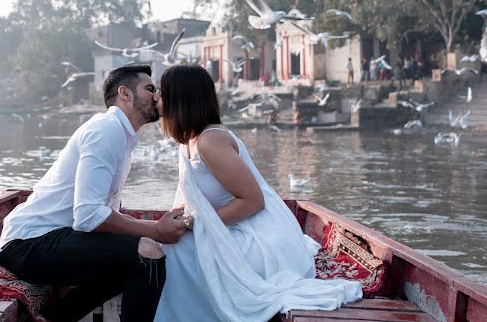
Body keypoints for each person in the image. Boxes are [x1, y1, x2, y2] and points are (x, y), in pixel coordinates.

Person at [153, 66, 362, 321]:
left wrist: (193, 223)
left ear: (180, 98)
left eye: (162, 93)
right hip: (231, 226)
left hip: (259, 235)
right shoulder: (191, 140)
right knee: (166, 241)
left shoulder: (210, 141)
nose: (156, 98)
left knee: (178, 249)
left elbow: (253, 201)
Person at [0, 65, 189, 322]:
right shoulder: (106, 130)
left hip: (56, 238)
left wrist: (154, 227)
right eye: (149, 89)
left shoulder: (121, 137)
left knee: (133, 255)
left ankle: (56, 317)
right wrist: (154, 230)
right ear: (125, 93)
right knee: (147, 254)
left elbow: (104, 215)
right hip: (29, 244)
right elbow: (88, 216)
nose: (155, 97)